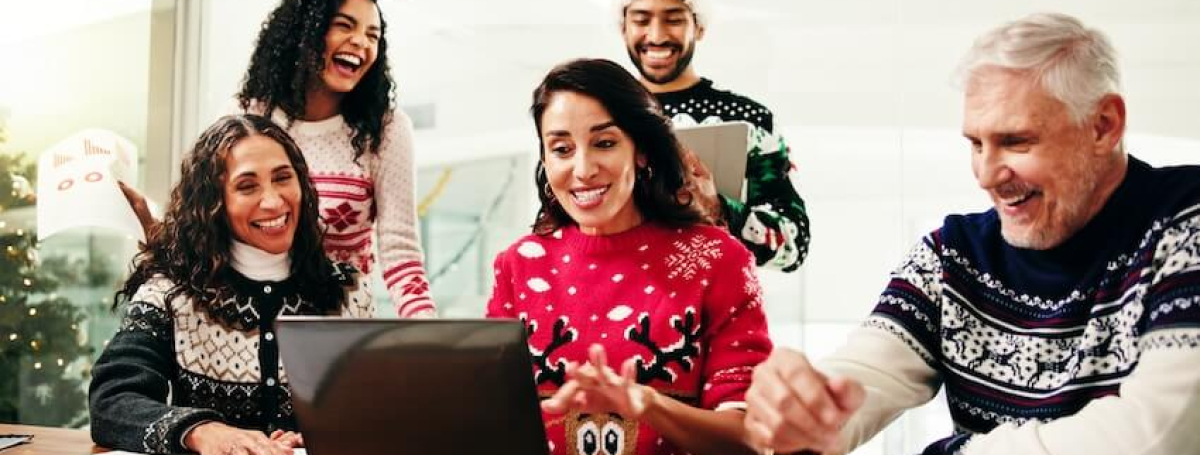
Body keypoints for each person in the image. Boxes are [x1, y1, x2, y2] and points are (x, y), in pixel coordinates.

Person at [742, 12, 1200, 455]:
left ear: (1103, 126)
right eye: (976, 144)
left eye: (1016, 141)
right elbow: (863, 376)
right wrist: (803, 406)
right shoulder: (952, 256)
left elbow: (1159, 435)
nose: (985, 175)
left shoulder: (1187, 222)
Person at [486, 58, 772, 455]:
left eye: (604, 143)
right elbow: (489, 419)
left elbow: (752, 438)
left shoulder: (718, 260)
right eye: (562, 149)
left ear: (641, 151)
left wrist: (648, 405)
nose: (583, 169)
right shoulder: (517, 265)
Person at [90, 115, 374, 455]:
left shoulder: (349, 291)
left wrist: (320, 437)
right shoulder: (170, 292)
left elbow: (375, 413)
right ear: (214, 203)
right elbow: (112, 400)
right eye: (247, 186)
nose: (273, 201)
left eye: (283, 178)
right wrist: (202, 432)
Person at [233, 0, 433, 317]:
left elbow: (400, 252)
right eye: (344, 25)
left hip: (341, 325)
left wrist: (428, 329)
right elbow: (211, 229)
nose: (361, 42)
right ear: (304, 31)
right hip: (251, 319)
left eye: (373, 35)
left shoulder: (386, 130)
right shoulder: (247, 118)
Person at [617, 0, 810, 272]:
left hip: (715, 294)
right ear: (623, 28)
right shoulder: (599, 113)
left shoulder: (748, 118)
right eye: (641, 20)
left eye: (674, 19)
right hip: (616, 292)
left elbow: (794, 245)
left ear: (699, 27)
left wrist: (720, 210)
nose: (657, 35)